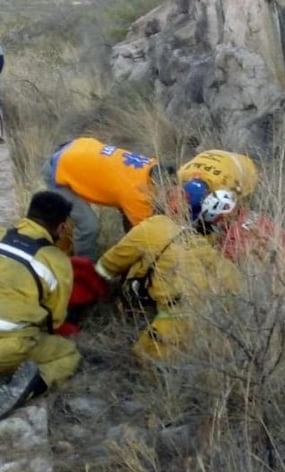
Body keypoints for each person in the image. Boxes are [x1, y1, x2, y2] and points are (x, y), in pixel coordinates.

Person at [94, 188, 242, 363]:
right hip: (219, 321)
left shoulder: (152, 227)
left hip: (178, 314)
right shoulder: (198, 240)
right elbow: (233, 279)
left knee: (146, 358)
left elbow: (108, 265)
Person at [0, 191, 81, 420]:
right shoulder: (56, 262)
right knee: (68, 354)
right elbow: (54, 319)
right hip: (8, 345)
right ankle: (19, 391)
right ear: (62, 227)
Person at [42, 136, 171, 262]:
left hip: (77, 149)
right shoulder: (136, 193)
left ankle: (64, 252)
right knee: (88, 226)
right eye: (168, 193)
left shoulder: (153, 165)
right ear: (158, 186)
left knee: (75, 221)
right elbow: (147, 234)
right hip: (58, 171)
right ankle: (84, 268)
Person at [176, 149, 259, 216]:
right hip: (213, 153)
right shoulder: (182, 174)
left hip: (246, 165)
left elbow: (235, 197)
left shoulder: (223, 184)